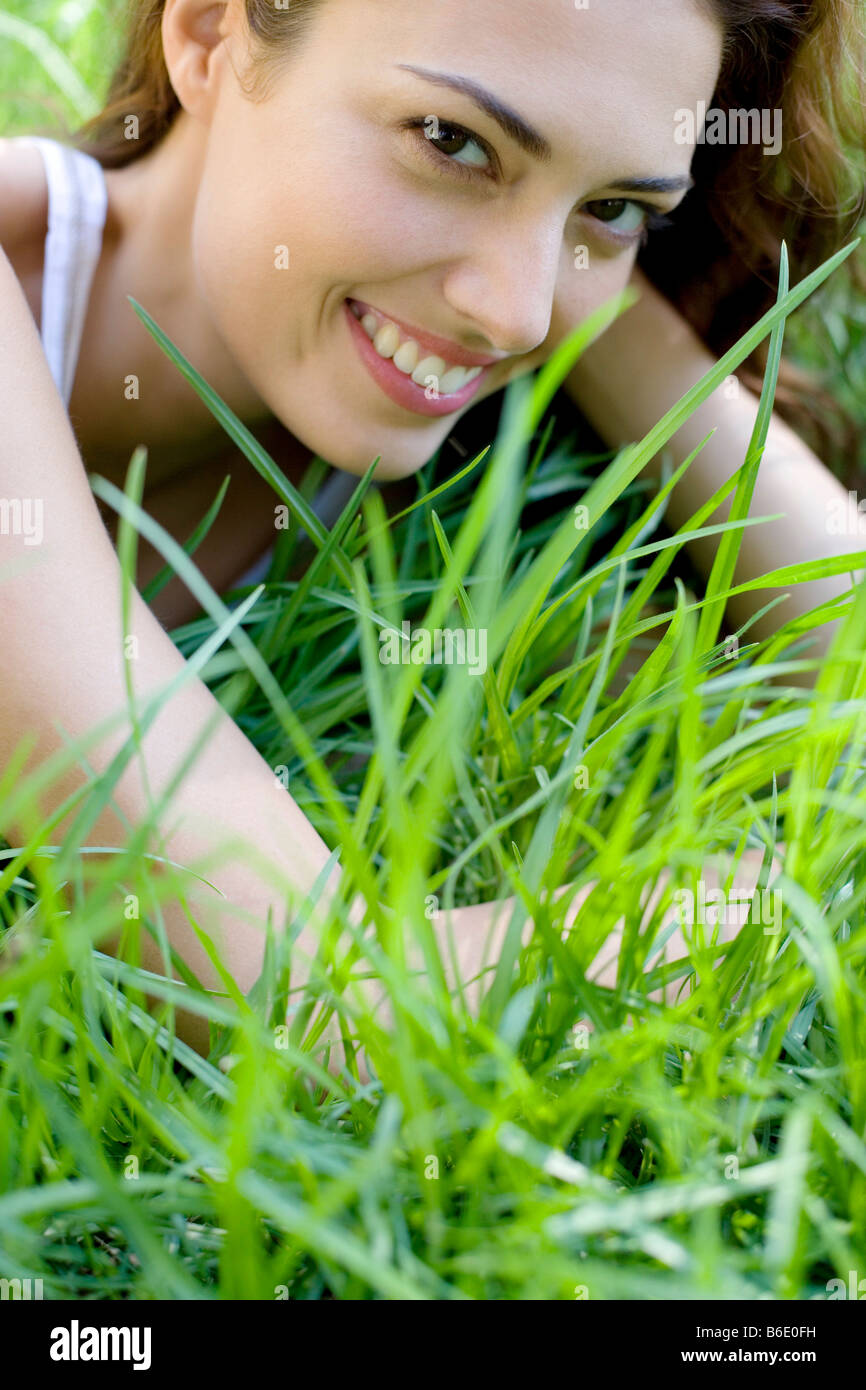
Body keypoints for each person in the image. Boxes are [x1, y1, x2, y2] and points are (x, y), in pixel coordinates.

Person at [0, 0, 863, 1062]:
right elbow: (321, 1003)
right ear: (211, 38)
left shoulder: (450, 481)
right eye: (451, 141)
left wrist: (620, 317)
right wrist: (740, 909)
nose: (514, 316)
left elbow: (851, 668)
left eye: (619, 208)